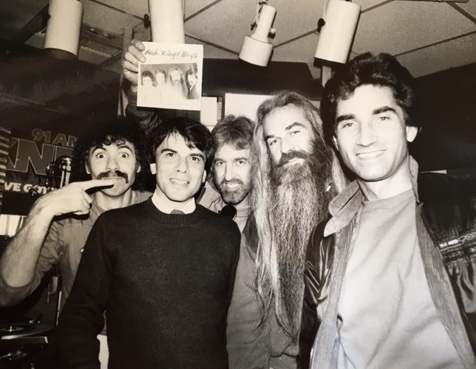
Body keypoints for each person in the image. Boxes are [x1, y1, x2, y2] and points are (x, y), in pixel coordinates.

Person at [300, 52, 476, 369]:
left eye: (382, 117)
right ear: (337, 142)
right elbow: (312, 348)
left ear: (409, 128)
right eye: (349, 123)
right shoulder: (326, 238)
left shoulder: (465, 211)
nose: (365, 138)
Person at [56, 117, 241, 369]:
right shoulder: (113, 227)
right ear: (153, 165)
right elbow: (79, 316)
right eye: (170, 154)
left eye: (194, 158)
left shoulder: (226, 233)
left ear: (206, 174)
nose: (182, 168)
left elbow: (238, 323)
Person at [227, 90, 344, 369]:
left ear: (318, 132)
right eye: (273, 141)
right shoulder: (261, 223)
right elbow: (245, 321)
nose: (285, 148)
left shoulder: (352, 204)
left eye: (294, 132)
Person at [0, 117, 151, 308]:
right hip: (81, 335)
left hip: (141, 337)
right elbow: (6, 295)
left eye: (123, 155)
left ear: (138, 164)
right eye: (100, 155)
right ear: (87, 166)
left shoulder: (157, 208)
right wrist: (41, 209)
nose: (112, 166)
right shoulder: (65, 219)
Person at [202, 115, 255, 232]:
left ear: (257, 165)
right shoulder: (201, 208)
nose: (228, 176)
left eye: (240, 162)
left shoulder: (270, 221)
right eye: (220, 163)